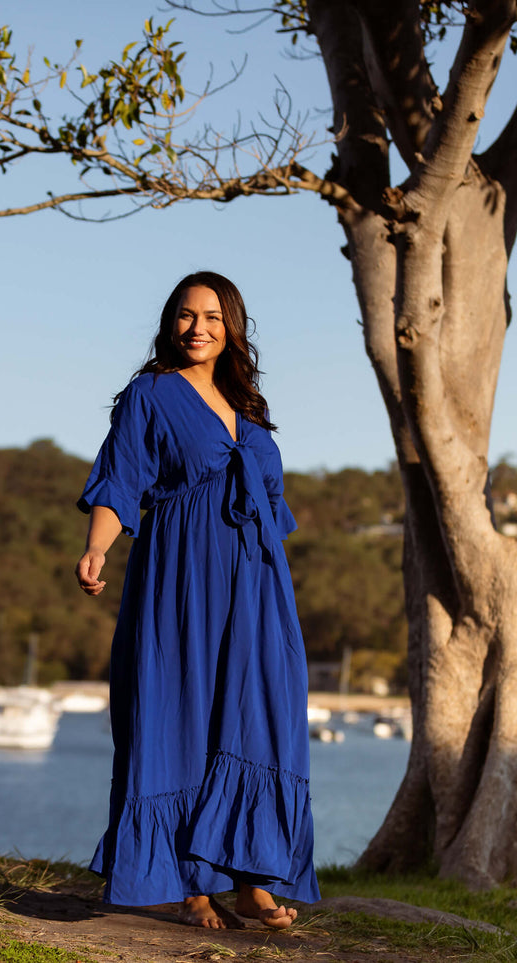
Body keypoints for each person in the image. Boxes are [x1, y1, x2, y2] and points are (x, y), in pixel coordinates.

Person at [74, 271, 318, 930]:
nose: (197, 326)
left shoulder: (250, 410)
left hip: (258, 584)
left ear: (230, 326)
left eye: (211, 315)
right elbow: (120, 477)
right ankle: (187, 884)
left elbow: (272, 507)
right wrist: (98, 545)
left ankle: (250, 877)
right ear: (169, 322)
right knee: (180, 712)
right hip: (180, 578)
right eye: (185, 315)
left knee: (262, 714)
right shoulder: (149, 395)